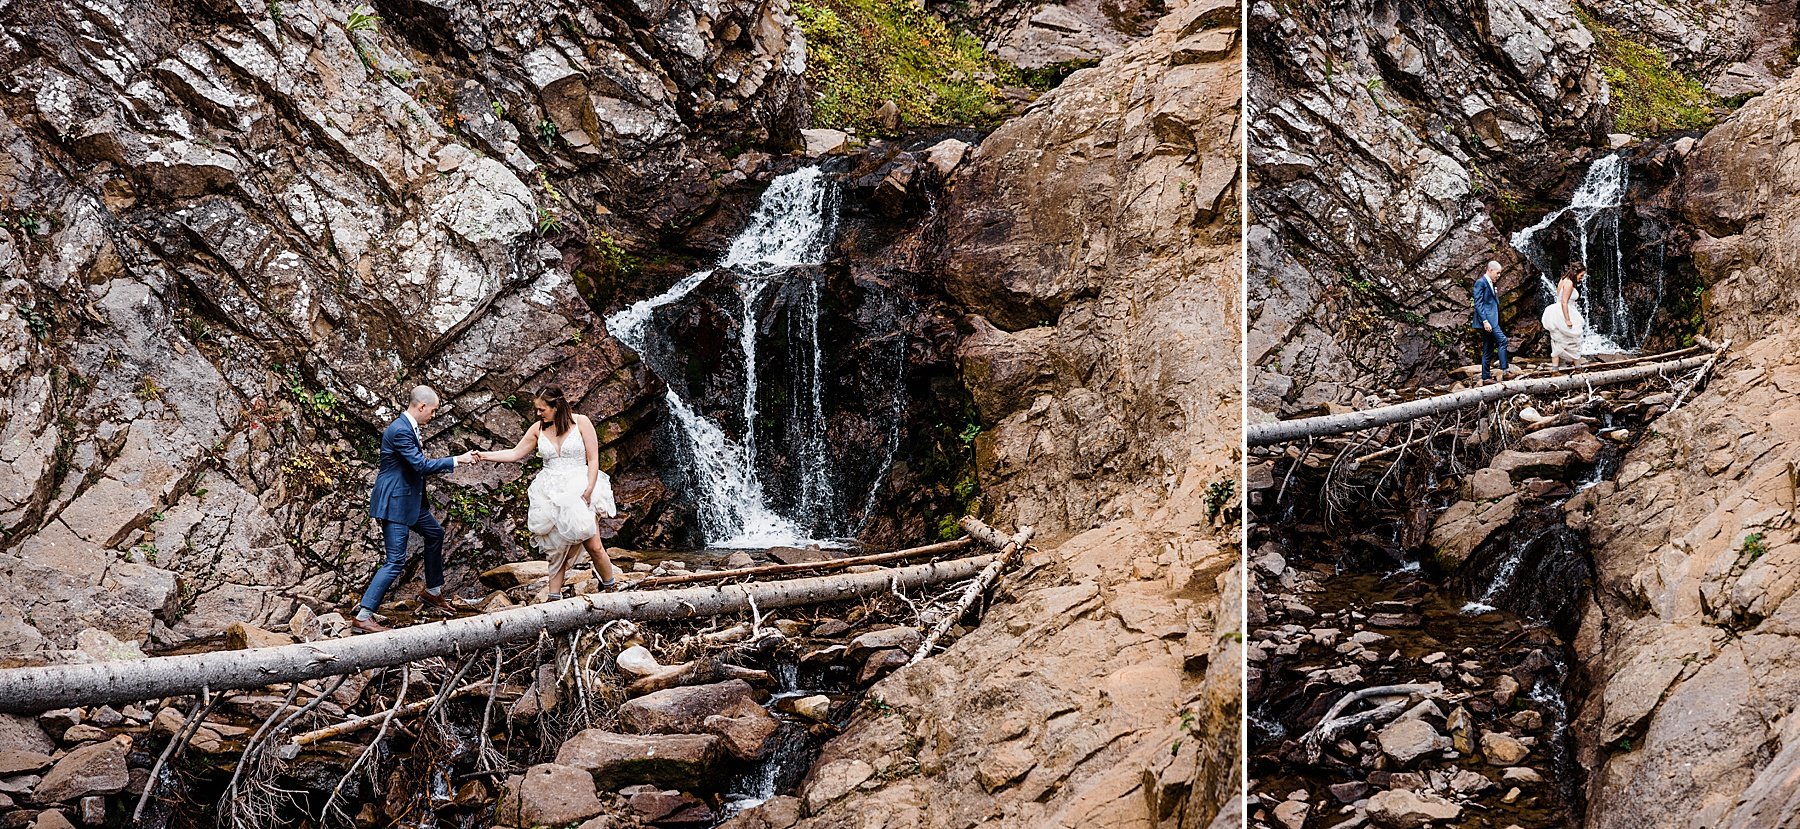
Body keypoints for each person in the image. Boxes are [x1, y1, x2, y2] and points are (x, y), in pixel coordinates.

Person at [476, 385, 619, 601]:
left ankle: (612, 588)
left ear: (556, 406)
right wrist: (484, 456)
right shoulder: (537, 429)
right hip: (550, 490)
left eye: (542, 409)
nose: (538, 413)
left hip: (579, 485)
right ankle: (554, 597)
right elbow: (515, 453)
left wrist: (589, 488)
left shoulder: (581, 422)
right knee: (557, 547)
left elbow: (593, 459)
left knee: (594, 544)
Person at [355, 385, 477, 634]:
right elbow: (420, 466)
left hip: (409, 502)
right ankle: (363, 616)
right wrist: (457, 459)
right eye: (432, 411)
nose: (433, 416)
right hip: (396, 503)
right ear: (421, 406)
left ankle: (432, 592)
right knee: (395, 560)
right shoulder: (400, 430)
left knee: (435, 533)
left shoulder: (408, 426)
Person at [1541, 262, 1587, 369]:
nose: (1581, 278)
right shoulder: (1569, 283)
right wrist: (1567, 320)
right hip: (1565, 312)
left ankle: (1555, 369)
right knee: (1573, 340)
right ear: (1576, 273)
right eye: (1581, 275)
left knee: (1558, 339)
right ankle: (1578, 368)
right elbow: (1564, 302)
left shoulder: (1563, 279)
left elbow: (1559, 297)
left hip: (1557, 311)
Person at [1472, 260, 1509, 383]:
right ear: (1490, 270)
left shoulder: (1491, 283)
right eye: (1497, 273)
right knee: (1503, 340)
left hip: (1492, 319)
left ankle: (1486, 377)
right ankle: (1505, 371)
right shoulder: (1480, 283)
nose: (1499, 276)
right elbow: (1478, 303)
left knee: (1488, 348)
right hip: (1489, 321)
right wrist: (1485, 321)